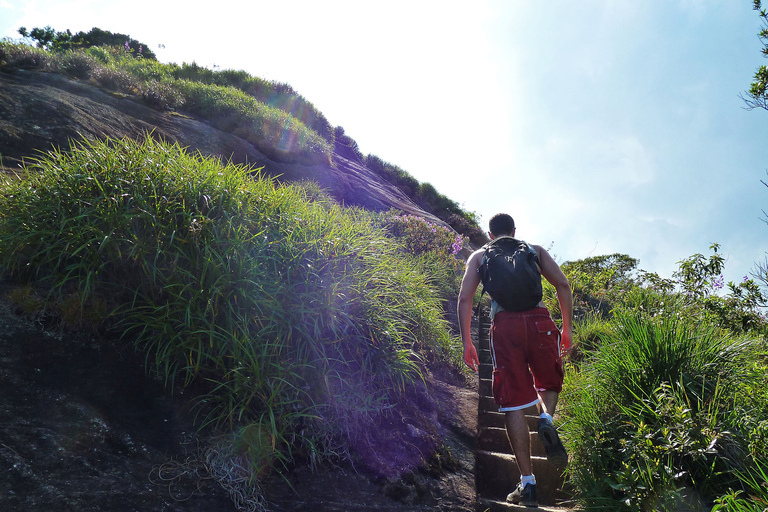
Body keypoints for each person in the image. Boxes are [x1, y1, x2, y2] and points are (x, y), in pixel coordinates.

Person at [457, 213, 573, 508]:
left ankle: (528, 483)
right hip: (540, 321)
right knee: (548, 380)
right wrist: (567, 329)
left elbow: (465, 299)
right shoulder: (534, 250)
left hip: (505, 325)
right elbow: (563, 285)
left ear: (491, 234)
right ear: (514, 231)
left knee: (512, 402)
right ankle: (546, 417)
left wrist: (467, 342)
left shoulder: (480, 255)